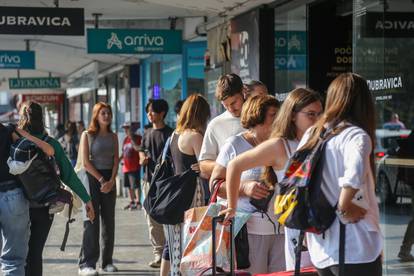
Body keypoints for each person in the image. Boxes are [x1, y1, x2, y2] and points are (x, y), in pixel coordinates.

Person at [220, 89, 322, 273]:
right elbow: (234, 165)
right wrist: (232, 206)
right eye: (311, 114)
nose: (317, 119)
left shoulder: (320, 142)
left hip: (319, 230)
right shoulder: (280, 145)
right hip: (292, 233)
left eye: (320, 114)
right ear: (292, 116)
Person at [16, 101, 95, 276]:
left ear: (22, 117)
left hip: (19, 206)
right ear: (41, 119)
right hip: (45, 206)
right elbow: (69, 175)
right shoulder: (51, 144)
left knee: (19, 255)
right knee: (35, 253)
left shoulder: (16, 141)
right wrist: (87, 199)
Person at [211, 95, 282, 274]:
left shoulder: (281, 144)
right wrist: (244, 188)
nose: (279, 119)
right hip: (249, 231)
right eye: (274, 114)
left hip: (283, 228)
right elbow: (215, 185)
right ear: (257, 116)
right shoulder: (235, 144)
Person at [161, 94, 211, 276]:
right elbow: (205, 170)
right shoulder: (195, 136)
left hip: (176, 195)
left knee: (176, 246)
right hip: (193, 194)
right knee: (192, 245)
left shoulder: (175, 135)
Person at [0, 122, 55, 276]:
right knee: (13, 261)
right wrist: (21, 132)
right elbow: (48, 150)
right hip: (13, 196)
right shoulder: (9, 131)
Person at [78, 102, 119, 275]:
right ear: (96, 115)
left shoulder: (114, 136)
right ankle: (86, 263)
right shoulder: (87, 135)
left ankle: (107, 262)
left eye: (108, 113)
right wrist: (102, 179)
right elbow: (86, 162)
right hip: (93, 179)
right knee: (91, 221)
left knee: (109, 222)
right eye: (103, 113)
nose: (106, 116)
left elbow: (116, 159)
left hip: (109, 179)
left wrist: (111, 180)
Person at [139, 99, 174, 268]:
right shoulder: (146, 133)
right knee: (151, 219)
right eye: (148, 112)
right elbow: (141, 150)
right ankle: (158, 254)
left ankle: (170, 252)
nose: (149, 115)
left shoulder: (171, 133)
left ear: (162, 113)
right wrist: (142, 159)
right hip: (148, 181)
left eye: (152, 111)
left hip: (166, 182)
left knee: (166, 218)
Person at [199, 73, 246, 179]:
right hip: (228, 191)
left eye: (234, 102)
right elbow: (203, 164)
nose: (231, 109)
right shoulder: (215, 125)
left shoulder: (260, 117)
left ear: (243, 92)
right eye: (225, 105)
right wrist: (228, 166)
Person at [120, 121, 142, 210]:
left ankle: (138, 201)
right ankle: (132, 201)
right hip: (126, 167)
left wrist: (132, 139)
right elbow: (123, 151)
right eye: (125, 129)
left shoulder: (138, 138)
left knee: (135, 185)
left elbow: (139, 149)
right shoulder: (125, 140)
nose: (126, 130)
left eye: (127, 128)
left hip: (134, 166)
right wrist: (118, 159)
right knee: (129, 186)